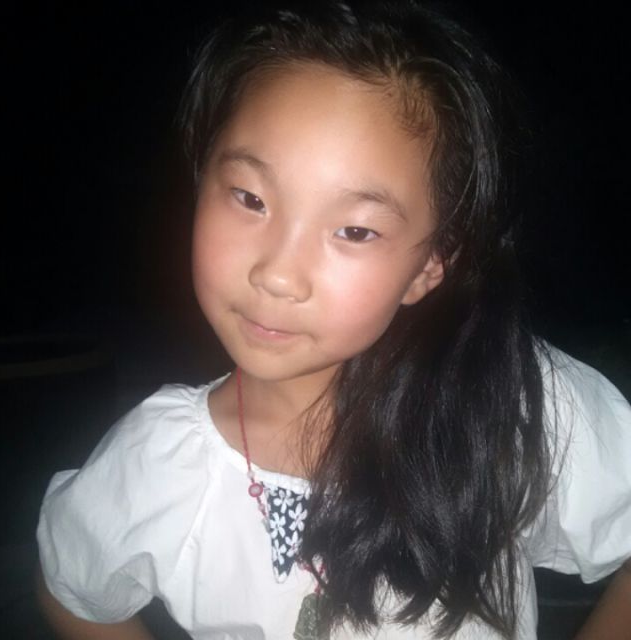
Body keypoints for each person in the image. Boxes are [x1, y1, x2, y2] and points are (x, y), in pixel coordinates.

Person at [36, 1, 631, 638]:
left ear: (429, 264)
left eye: (355, 230)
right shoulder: (157, 465)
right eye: (250, 198)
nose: (277, 274)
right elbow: (72, 589)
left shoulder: (510, 401)